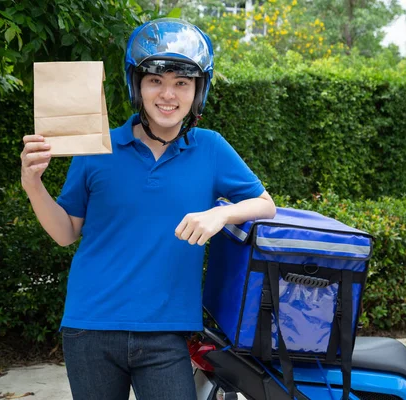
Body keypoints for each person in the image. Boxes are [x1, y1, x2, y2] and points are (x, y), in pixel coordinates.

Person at [20, 18, 276, 400]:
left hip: (168, 332)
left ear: (197, 91)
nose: (168, 94)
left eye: (181, 83)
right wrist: (33, 185)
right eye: (156, 80)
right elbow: (65, 233)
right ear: (136, 85)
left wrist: (220, 213)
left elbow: (265, 204)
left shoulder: (210, 147)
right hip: (90, 326)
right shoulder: (98, 147)